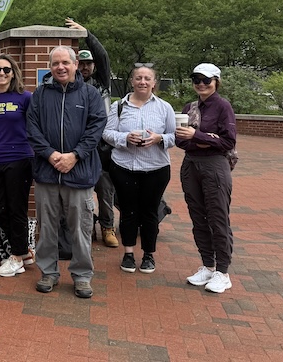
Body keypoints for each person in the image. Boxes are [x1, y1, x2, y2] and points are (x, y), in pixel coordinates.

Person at [27, 46, 106, 298]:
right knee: (47, 228)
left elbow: (96, 128)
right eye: (55, 63)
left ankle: (82, 276)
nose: (60, 67)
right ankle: (48, 273)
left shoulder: (90, 94)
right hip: (47, 173)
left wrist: (75, 156)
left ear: (74, 65)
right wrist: (50, 155)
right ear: (50, 67)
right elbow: (32, 129)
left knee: (81, 229)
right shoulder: (40, 95)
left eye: (65, 62)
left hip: (79, 173)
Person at [102, 64, 175, 274]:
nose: (142, 82)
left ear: (154, 83)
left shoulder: (164, 107)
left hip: (156, 168)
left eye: (147, 78)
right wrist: (125, 138)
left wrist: (159, 138)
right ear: (132, 81)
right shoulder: (119, 106)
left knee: (150, 212)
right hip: (124, 167)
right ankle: (128, 253)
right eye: (138, 78)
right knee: (128, 211)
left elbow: (174, 136)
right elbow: (107, 133)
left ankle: (148, 255)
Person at [176, 63, 237, 294]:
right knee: (198, 216)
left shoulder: (223, 106)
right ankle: (208, 265)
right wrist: (202, 139)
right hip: (191, 164)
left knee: (217, 216)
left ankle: (223, 271)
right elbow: (180, 140)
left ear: (216, 82)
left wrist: (197, 135)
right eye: (197, 79)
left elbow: (228, 141)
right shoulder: (189, 107)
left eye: (206, 79)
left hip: (214, 166)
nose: (201, 83)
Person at [0, 54, 34, 277]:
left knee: (16, 207)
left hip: (20, 158)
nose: (1, 73)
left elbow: (34, 127)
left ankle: (18, 256)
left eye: (6, 70)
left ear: (13, 73)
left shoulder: (25, 97)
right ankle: (24, 251)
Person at [66, 18, 118, 249]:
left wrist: (87, 34)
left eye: (89, 64)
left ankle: (107, 227)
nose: (85, 67)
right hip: (79, 146)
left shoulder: (102, 84)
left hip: (102, 146)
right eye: (82, 64)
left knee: (105, 190)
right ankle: (86, 228)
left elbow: (104, 56)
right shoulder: (73, 85)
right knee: (80, 193)